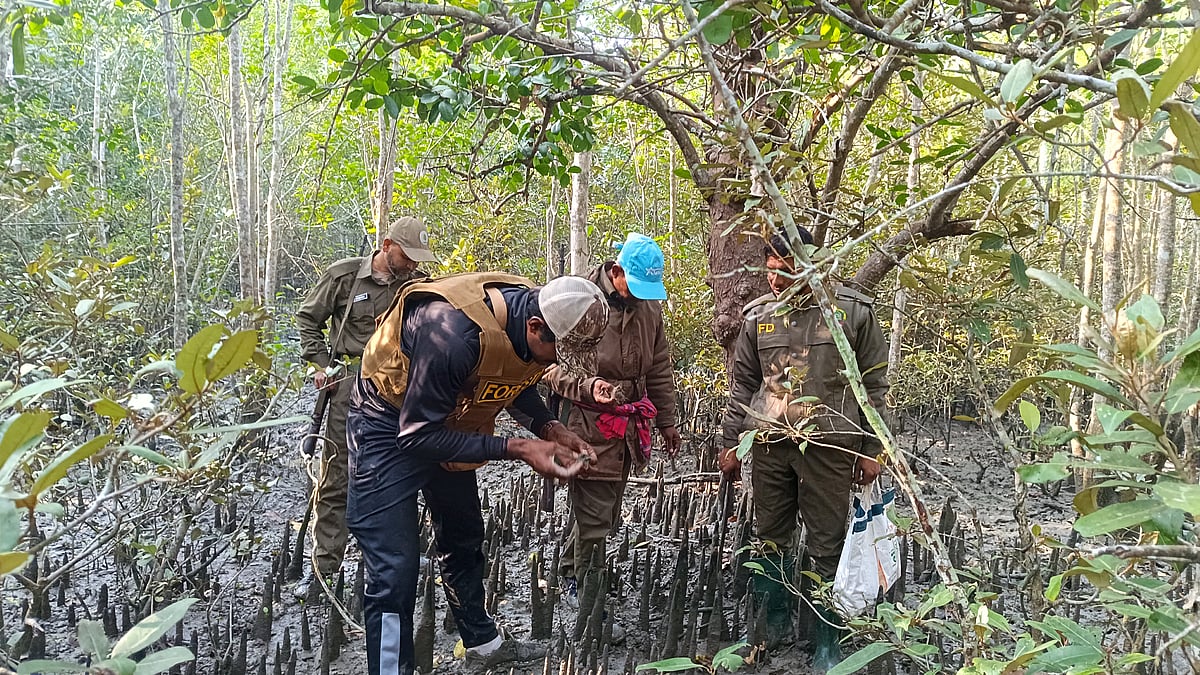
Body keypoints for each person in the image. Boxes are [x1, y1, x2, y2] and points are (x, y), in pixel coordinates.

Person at [347, 272, 609, 675]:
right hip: (388, 422)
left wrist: (550, 428)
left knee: (464, 536)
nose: (556, 362)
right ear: (535, 326)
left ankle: (483, 643)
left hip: (448, 414)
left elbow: (514, 376)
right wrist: (517, 448)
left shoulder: (528, 320)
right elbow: (416, 436)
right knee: (394, 569)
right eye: (556, 353)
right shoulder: (454, 335)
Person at [718, 230, 887, 670]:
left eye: (785, 270)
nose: (775, 280)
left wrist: (873, 448)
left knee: (827, 543)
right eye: (769, 271)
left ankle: (827, 638)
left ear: (810, 264)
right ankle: (771, 626)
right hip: (771, 443)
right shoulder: (758, 316)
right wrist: (731, 442)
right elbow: (743, 385)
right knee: (770, 536)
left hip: (830, 445)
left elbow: (873, 385)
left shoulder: (850, 311)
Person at [295, 216, 438, 597]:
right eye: (407, 256)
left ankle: (396, 557)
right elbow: (307, 319)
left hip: (400, 390)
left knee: (400, 473)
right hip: (349, 386)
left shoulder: (417, 286)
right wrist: (321, 364)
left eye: (417, 258)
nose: (413, 264)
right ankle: (325, 568)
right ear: (387, 246)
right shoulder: (344, 276)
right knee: (337, 476)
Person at [542, 232, 680, 605]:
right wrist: (588, 387)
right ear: (616, 271)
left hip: (627, 426)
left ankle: (572, 571)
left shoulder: (648, 307)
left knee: (607, 511)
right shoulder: (577, 298)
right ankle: (588, 593)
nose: (639, 297)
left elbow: (659, 367)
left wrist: (667, 421)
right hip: (585, 423)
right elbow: (547, 367)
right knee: (594, 512)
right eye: (634, 287)